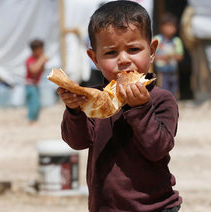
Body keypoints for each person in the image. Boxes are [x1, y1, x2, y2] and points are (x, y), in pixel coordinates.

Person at [57, 1, 182, 211]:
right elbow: (77, 142)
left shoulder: (161, 99)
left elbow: (157, 149)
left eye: (133, 49)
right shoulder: (95, 99)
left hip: (155, 208)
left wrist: (141, 108)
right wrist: (74, 111)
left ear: (151, 51)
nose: (123, 60)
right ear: (94, 58)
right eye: (111, 53)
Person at [154, 13, 184, 98]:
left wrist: (171, 56)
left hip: (173, 70)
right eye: (167, 26)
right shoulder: (157, 40)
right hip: (162, 71)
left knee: (174, 89)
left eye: (172, 26)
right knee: (163, 89)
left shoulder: (176, 41)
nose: (170, 29)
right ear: (161, 27)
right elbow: (151, 55)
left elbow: (180, 56)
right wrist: (161, 57)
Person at [25, 39, 48, 124]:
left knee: (37, 103)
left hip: (36, 84)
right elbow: (33, 70)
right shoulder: (30, 60)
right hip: (30, 84)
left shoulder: (37, 59)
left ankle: (34, 119)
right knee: (34, 103)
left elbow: (41, 70)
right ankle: (31, 120)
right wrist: (41, 60)